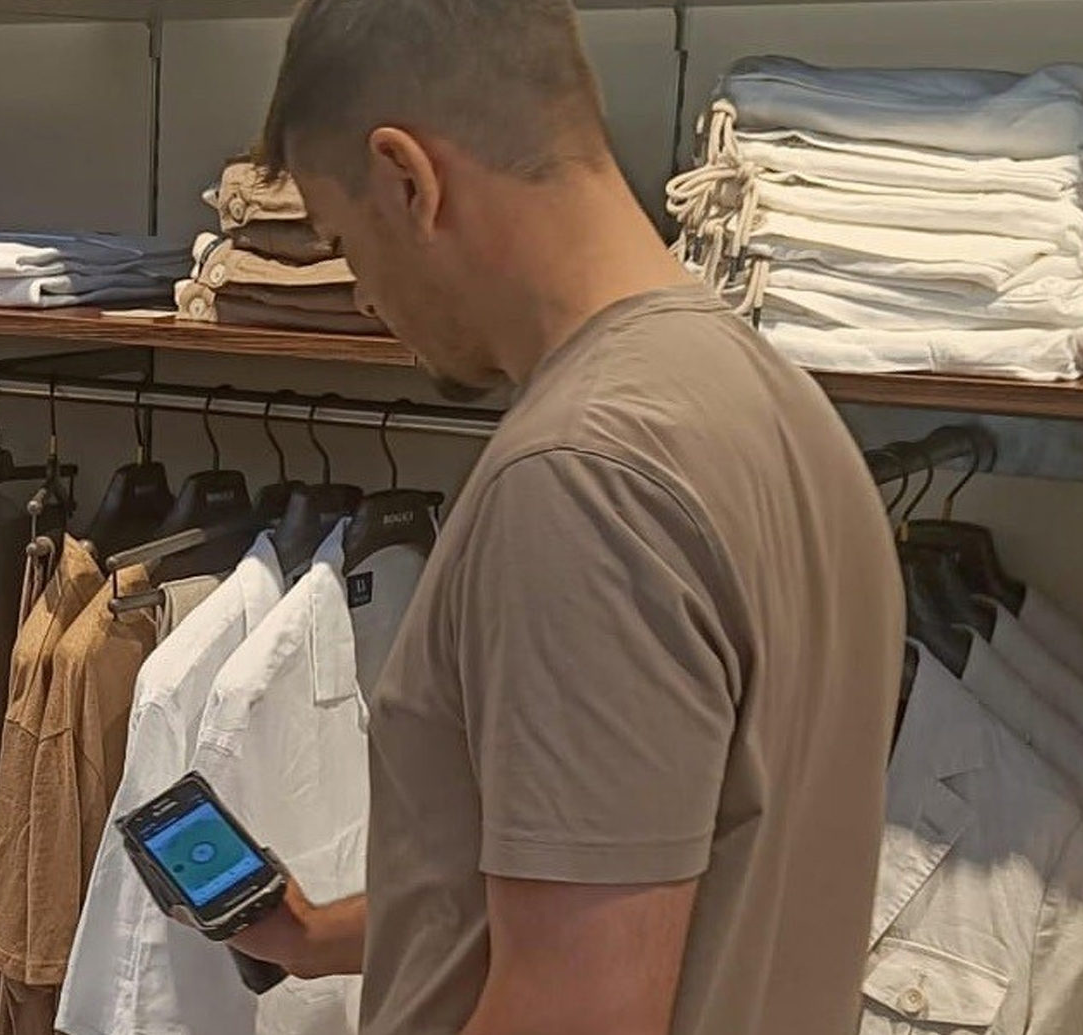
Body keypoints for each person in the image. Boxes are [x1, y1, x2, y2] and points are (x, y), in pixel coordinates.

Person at [226, 2, 905, 1033]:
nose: (363, 294)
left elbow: (578, 1007)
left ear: (409, 179)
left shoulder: (580, 479)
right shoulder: (771, 401)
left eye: (341, 239)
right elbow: (661, 866)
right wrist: (328, 937)